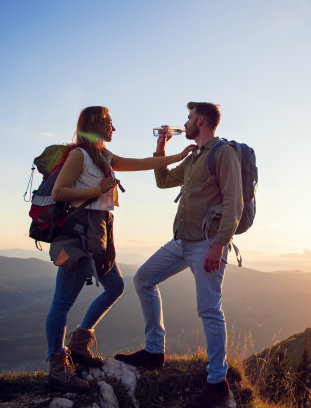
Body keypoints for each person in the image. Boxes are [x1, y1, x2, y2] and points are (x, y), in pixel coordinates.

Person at [45, 106, 194, 393]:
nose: (114, 129)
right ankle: (57, 366)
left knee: (114, 286)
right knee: (62, 301)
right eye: (110, 123)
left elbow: (141, 163)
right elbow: (59, 193)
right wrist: (98, 188)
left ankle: (78, 343)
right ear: (95, 125)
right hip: (75, 236)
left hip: (99, 233)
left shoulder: (104, 156)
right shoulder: (80, 155)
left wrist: (177, 156)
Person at [115, 102, 243, 408]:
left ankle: (217, 382)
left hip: (207, 243)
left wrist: (219, 244)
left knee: (209, 309)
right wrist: (160, 149)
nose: (183, 123)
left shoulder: (222, 153)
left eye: (188, 118)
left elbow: (234, 203)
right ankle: (155, 351)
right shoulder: (194, 156)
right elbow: (163, 181)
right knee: (144, 279)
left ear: (200, 121)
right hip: (181, 241)